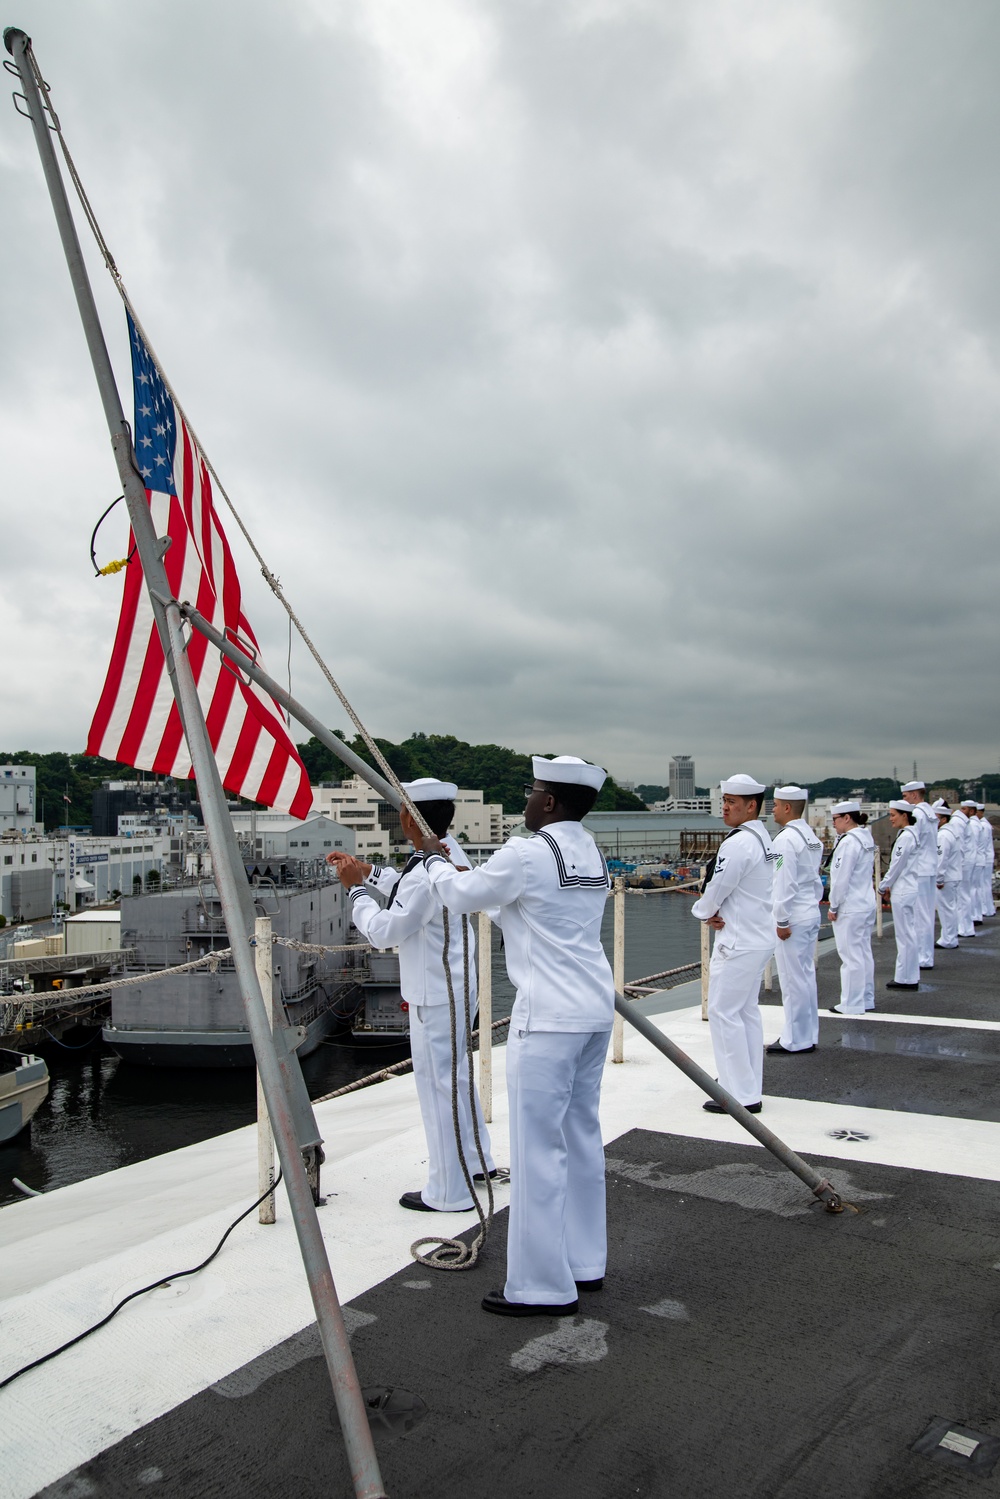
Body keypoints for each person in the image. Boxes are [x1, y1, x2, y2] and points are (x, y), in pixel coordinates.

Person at [421, 755, 613, 1319]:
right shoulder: (589, 850)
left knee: (537, 1152)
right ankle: (584, 1263)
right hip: (593, 1014)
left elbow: (459, 896)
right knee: (580, 1140)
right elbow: (531, 912)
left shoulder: (526, 852)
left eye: (531, 793)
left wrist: (436, 863)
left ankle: (540, 1286)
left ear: (549, 802)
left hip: (548, 1021)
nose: (525, 802)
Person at [328, 778, 495, 1214]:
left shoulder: (425, 870)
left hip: (435, 994)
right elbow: (409, 881)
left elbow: (385, 929)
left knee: (438, 1088)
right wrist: (369, 871)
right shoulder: (447, 851)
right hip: (458, 985)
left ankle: (449, 1192)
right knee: (456, 1079)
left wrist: (355, 889)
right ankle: (477, 1163)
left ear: (407, 818)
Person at [691, 774, 776, 1111]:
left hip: (738, 939)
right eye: (723, 800)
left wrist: (703, 911)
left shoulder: (738, 843)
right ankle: (748, 1084)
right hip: (758, 935)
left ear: (751, 806)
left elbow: (717, 886)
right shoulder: (763, 837)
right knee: (745, 1012)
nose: (724, 807)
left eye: (732, 802)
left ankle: (737, 1094)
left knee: (723, 1012)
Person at [766, 786, 823, 1054]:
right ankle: (808, 1034)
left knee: (791, 980)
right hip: (809, 911)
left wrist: (780, 920)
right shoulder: (810, 836)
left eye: (776, 804)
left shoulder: (785, 840)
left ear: (787, 807)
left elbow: (783, 881)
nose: (773, 809)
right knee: (805, 977)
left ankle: (794, 1039)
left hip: (793, 917)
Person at [826, 801, 876, 1015]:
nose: (833, 824)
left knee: (850, 956)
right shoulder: (865, 838)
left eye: (835, 819)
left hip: (850, 906)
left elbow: (840, 879)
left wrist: (833, 905)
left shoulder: (848, 843)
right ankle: (866, 998)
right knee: (864, 953)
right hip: (865, 901)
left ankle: (851, 1003)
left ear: (847, 818)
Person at [879, 800, 920, 989]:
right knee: (908, 935)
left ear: (905, 815)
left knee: (904, 936)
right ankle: (908, 975)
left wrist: (883, 885)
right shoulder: (909, 834)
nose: (891, 819)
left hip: (903, 890)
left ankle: (906, 977)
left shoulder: (905, 837)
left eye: (893, 814)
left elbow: (896, 865)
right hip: (907, 888)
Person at [900, 781, 939, 970]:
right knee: (927, 913)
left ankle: (923, 956)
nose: (904, 800)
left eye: (906, 796)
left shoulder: (916, 813)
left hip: (920, 868)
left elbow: (911, 841)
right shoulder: (929, 812)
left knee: (920, 914)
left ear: (914, 795)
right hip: (930, 866)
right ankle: (926, 954)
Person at [933, 801, 962, 950]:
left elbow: (941, 858)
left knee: (946, 909)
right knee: (950, 908)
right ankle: (950, 937)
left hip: (947, 877)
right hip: (953, 875)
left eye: (936, 818)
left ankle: (948, 939)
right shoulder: (950, 832)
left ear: (943, 819)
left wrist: (939, 878)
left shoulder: (943, 835)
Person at [953, 801, 979, 937]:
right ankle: (966, 927)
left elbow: (959, 845)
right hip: (968, 861)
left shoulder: (958, 822)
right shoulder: (964, 821)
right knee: (965, 895)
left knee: (961, 896)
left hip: (963, 863)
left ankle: (963, 928)